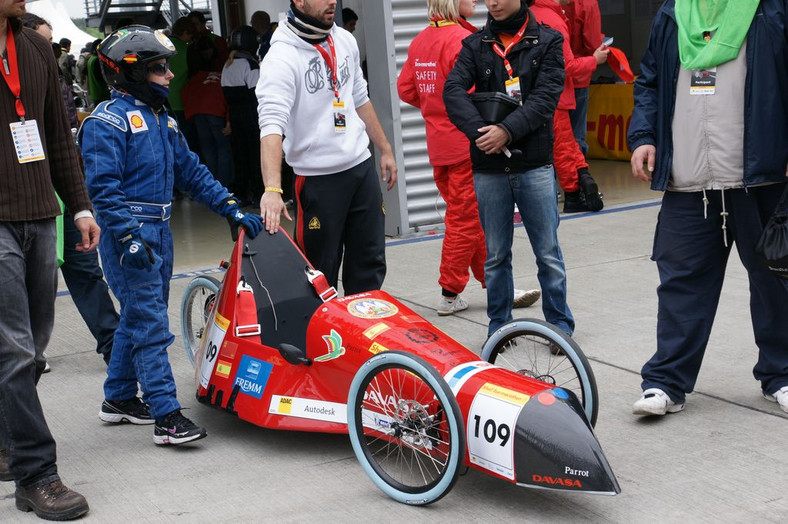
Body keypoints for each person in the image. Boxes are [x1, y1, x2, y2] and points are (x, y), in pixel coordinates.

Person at [79, 25, 264, 444]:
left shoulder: (163, 121)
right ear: (131, 72)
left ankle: (120, 398)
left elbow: (194, 173)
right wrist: (127, 237)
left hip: (158, 232)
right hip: (129, 238)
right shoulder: (104, 124)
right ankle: (166, 415)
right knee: (149, 324)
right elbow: (103, 191)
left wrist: (231, 207)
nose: (168, 75)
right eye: (159, 68)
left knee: (136, 316)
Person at [628, 0, 788, 416]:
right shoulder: (672, 13)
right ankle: (666, 383)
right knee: (681, 283)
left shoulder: (771, 9)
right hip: (689, 181)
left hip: (761, 174)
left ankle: (782, 374)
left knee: (777, 281)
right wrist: (644, 136)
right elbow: (649, 82)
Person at [0, 0, 98, 519]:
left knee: (33, 346)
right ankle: (36, 474)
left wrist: (78, 205)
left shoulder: (36, 46)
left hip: (40, 213)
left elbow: (58, 134)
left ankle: (6, 436)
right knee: (14, 348)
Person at [398, 0, 541, 315]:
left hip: (439, 146)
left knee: (472, 220)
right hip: (469, 145)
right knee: (465, 221)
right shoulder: (463, 40)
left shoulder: (421, 39)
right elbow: (481, 91)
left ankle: (497, 286)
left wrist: (434, 105)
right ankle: (450, 292)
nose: (476, 1)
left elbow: (406, 90)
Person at [444, 0, 574, 337]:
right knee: (496, 255)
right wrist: (481, 134)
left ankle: (559, 323)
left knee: (547, 252)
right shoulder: (475, 44)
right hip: (489, 167)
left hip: (533, 164)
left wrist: (507, 130)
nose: (494, 3)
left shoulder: (548, 41)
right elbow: (453, 90)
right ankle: (499, 325)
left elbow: (546, 98)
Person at [257, 0, 397, 295]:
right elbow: (271, 126)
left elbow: (360, 97)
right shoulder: (281, 57)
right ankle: (321, 338)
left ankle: (363, 334)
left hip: (360, 167)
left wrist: (384, 148)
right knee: (318, 272)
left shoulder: (344, 39)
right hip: (318, 179)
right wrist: (272, 189)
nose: (332, 1)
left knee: (369, 262)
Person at [21, 13, 119, 370]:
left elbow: (64, 143)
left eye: (50, 43)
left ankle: (113, 344)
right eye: (43, 42)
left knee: (85, 271)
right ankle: (28, 351)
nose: (49, 49)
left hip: (62, 191)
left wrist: (81, 204)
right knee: (31, 284)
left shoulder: (55, 80)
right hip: (28, 200)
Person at [530, 0, 607, 213]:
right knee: (567, 145)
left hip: (534, 97)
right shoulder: (554, 20)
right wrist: (595, 60)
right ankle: (575, 191)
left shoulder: (527, 14)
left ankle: (578, 182)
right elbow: (568, 64)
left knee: (563, 145)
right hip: (558, 95)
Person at [182, 36, 232, 187]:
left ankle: (210, 186)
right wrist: (229, 122)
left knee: (207, 149)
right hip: (216, 113)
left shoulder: (196, 77)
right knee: (223, 149)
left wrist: (190, 113)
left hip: (198, 115)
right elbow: (228, 99)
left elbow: (184, 93)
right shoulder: (224, 75)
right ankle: (223, 186)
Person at [222, 25, 263, 205]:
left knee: (240, 156)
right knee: (256, 156)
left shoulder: (227, 64)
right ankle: (257, 195)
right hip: (252, 117)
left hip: (235, 116)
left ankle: (241, 195)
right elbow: (258, 95)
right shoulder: (251, 65)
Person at [564, 0, 602, 157]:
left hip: (552, 78)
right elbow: (593, 44)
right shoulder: (588, 3)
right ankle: (577, 176)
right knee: (576, 135)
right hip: (578, 75)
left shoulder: (542, 5)